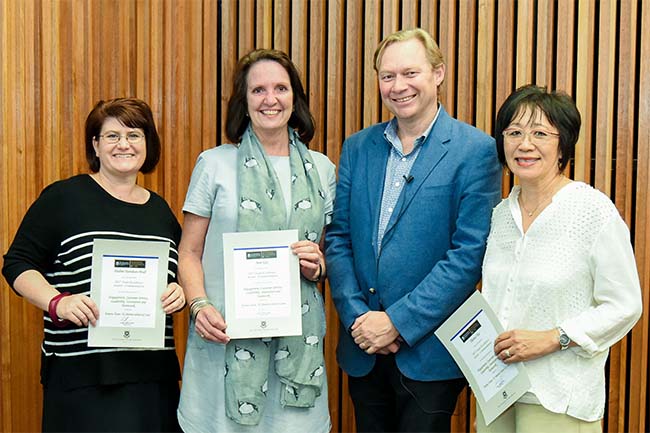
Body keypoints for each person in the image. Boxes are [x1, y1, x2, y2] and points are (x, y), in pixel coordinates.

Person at [325, 28, 502, 433]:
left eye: (410, 73)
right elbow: (339, 238)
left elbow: (468, 255)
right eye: (388, 76)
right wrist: (360, 320)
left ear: (437, 74)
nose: (398, 86)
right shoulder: (357, 147)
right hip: (363, 348)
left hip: (430, 355)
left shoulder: (475, 152)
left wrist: (398, 323)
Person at [2, 98, 186, 432]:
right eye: (112, 136)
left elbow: (179, 275)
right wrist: (59, 301)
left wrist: (179, 292)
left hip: (151, 376)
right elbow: (17, 263)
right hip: (83, 377)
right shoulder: (64, 198)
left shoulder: (161, 212)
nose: (124, 144)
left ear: (148, 144)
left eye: (134, 135)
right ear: (96, 145)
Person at [176, 48, 336, 433]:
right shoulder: (213, 164)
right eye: (258, 90)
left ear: (294, 99)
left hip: (297, 349)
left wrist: (319, 264)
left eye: (280, 88)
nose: (270, 99)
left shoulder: (322, 168)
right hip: (225, 340)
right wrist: (198, 305)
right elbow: (189, 251)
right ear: (243, 101)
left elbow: (330, 255)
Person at [476, 84, 642, 432]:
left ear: (563, 144)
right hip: (498, 392)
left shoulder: (591, 211)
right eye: (514, 132)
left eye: (540, 133)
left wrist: (554, 337)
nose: (525, 144)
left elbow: (625, 305)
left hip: (559, 397)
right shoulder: (501, 215)